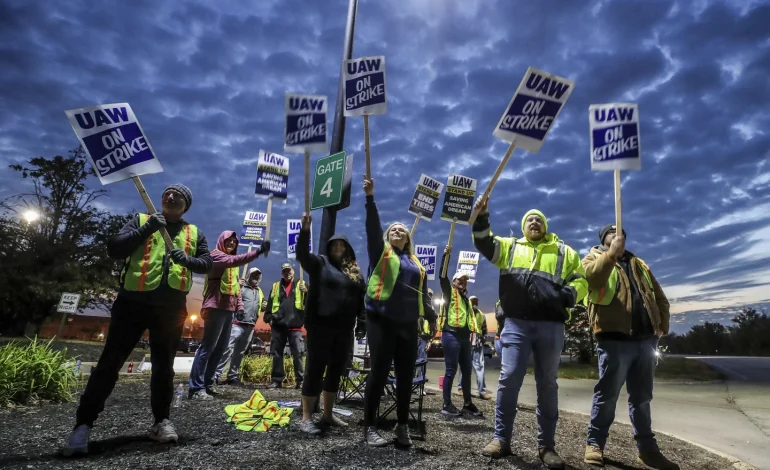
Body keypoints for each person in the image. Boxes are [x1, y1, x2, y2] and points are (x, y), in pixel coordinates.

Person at [63, 184, 212, 456]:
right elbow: (115, 249)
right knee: (110, 362)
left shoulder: (194, 233)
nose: (169, 196)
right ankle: (82, 426)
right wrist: (147, 229)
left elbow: (207, 263)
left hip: (170, 309)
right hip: (132, 303)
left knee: (164, 368)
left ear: (185, 205)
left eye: (176, 195)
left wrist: (188, 260)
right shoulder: (142, 221)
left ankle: (161, 421)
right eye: (166, 193)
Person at [472, 197, 587, 470]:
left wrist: (567, 295)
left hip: (551, 325)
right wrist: (481, 217)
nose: (534, 222)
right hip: (516, 324)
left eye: (539, 219)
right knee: (509, 378)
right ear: (523, 227)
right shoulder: (510, 247)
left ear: (545, 226)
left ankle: (547, 446)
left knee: (547, 383)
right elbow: (483, 242)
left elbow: (581, 280)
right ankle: (501, 439)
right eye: (529, 219)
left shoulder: (564, 252)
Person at [582, 225, 678, 470]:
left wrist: (661, 325)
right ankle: (595, 444)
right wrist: (610, 256)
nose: (617, 236)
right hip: (613, 338)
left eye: (620, 233)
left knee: (642, 397)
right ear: (604, 239)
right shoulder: (592, 258)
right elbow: (591, 279)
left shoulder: (638, 263)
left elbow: (659, 296)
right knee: (607, 395)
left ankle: (647, 450)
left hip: (645, 340)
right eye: (611, 233)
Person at [362, 175, 436, 448]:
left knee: (405, 376)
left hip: (407, 325)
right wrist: (370, 199)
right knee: (379, 373)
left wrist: (429, 319)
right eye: (393, 229)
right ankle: (370, 427)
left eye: (402, 230)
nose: (398, 231)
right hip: (381, 320)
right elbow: (373, 229)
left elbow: (424, 297)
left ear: (408, 239)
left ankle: (402, 426)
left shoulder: (416, 262)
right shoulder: (380, 253)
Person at [295, 213, 367, 435]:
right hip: (320, 326)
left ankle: (327, 414)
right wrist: (305, 230)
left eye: (342, 245)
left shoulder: (354, 272)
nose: (338, 247)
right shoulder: (320, 263)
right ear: (329, 247)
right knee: (315, 369)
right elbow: (301, 255)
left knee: (336, 370)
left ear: (347, 249)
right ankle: (307, 417)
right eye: (334, 244)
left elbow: (360, 298)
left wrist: (362, 321)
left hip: (344, 328)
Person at [189, 232, 269, 399]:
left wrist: (239, 306)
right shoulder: (216, 256)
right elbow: (234, 260)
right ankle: (196, 388)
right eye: (229, 240)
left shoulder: (233, 266)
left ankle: (208, 384)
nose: (232, 243)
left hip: (228, 311)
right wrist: (257, 252)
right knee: (207, 348)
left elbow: (235, 289)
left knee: (219, 349)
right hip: (215, 307)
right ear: (221, 241)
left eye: (234, 241)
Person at [437, 245, 481, 417]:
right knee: (451, 370)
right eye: (459, 280)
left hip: (464, 338)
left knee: (467, 371)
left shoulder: (466, 299)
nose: (462, 282)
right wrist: (445, 257)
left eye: (464, 280)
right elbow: (442, 277)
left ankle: (468, 403)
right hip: (451, 335)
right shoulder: (449, 293)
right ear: (454, 282)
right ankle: (446, 404)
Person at [214, 267, 267, 386]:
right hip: (236, 324)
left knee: (240, 352)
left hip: (250, 326)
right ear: (248, 275)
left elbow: (260, 306)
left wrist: (264, 306)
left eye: (258, 276)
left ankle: (232, 376)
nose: (255, 277)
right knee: (227, 349)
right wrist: (236, 286)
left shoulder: (259, 291)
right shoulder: (241, 287)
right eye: (253, 275)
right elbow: (229, 298)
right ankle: (215, 375)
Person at [263, 262, 307, 389]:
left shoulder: (302, 285)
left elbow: (310, 303)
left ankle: (300, 381)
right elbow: (270, 304)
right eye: (285, 271)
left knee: (298, 354)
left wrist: (307, 291)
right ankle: (277, 380)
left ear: (293, 271)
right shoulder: (276, 286)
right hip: (278, 326)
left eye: (289, 270)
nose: (287, 273)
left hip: (295, 326)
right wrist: (269, 318)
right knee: (277, 354)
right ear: (282, 273)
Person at [457, 296, 492, 400]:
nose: (475, 303)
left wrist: (483, 338)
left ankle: (482, 391)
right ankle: (460, 388)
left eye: (476, 301)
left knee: (480, 368)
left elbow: (484, 330)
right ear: (469, 302)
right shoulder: (465, 313)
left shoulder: (482, 315)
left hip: (477, 345)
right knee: (464, 367)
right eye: (473, 301)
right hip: (466, 343)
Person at [415, 288, 435, 386]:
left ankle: (419, 385)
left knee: (421, 362)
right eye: (428, 294)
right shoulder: (417, 305)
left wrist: (430, 341)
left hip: (424, 339)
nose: (429, 297)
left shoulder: (432, 311)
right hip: (414, 336)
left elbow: (434, 328)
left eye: (431, 295)